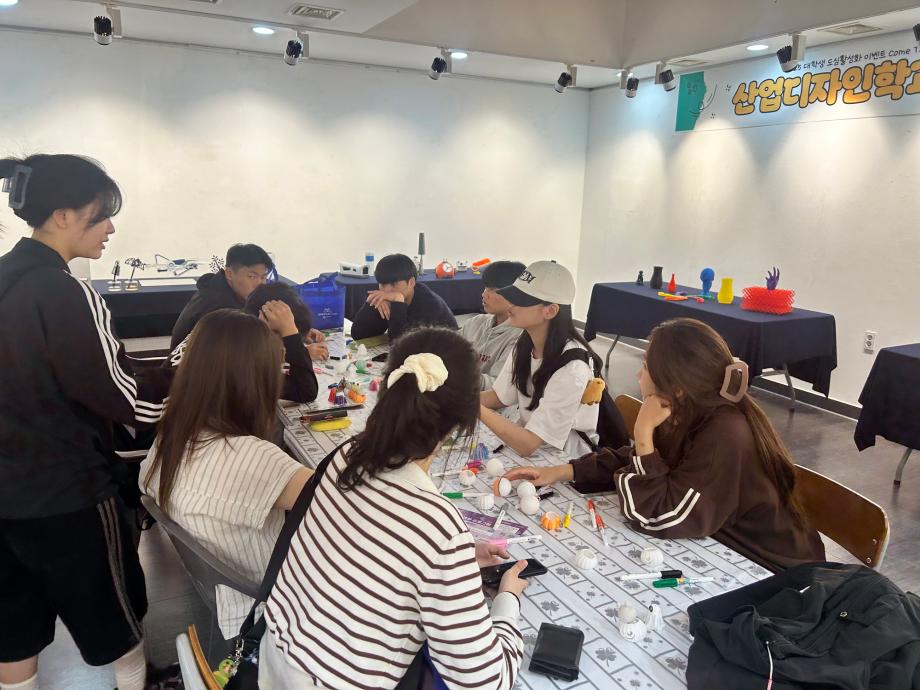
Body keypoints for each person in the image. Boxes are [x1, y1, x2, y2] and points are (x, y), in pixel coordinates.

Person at [260, 327, 528, 690]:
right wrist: (508, 601)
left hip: (273, 666)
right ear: (463, 421)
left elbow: (370, 550)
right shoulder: (437, 527)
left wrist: (456, 561)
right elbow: (485, 681)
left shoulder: (348, 455)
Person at [0, 154, 172, 690]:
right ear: (63, 216)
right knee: (117, 621)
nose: (110, 229)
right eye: (101, 216)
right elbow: (123, 399)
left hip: (5, 495)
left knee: (13, 630)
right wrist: (192, 392)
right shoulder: (66, 292)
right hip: (68, 497)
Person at [505, 318, 826, 573]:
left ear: (677, 385)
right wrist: (562, 471)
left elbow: (661, 515)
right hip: (717, 543)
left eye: (646, 366)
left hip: (772, 571)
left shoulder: (724, 432)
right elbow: (638, 460)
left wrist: (643, 432)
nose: (638, 374)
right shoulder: (689, 411)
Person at [141, 309, 315, 639]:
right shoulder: (251, 458)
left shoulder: (170, 440)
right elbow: (347, 498)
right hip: (275, 610)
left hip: (233, 594)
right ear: (254, 382)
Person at [479, 260, 600, 458]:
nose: (511, 305)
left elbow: (528, 444)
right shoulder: (525, 343)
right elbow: (500, 397)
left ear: (550, 311)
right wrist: (453, 397)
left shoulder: (573, 367)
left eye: (522, 300)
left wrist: (472, 406)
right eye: (512, 296)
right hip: (532, 448)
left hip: (566, 460)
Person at [167, 283, 323, 403]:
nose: (282, 346)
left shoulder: (221, 322)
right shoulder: (240, 357)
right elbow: (305, 391)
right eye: (282, 336)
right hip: (184, 429)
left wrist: (290, 331)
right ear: (264, 323)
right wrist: (291, 334)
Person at [171, 243, 276, 350]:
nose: (260, 284)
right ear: (229, 274)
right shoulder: (218, 308)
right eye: (252, 276)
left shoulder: (220, 289)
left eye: (263, 277)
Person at [350, 253, 457, 341]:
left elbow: (400, 345)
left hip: (448, 351)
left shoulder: (429, 305)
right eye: (382, 284)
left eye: (393, 284)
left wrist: (398, 302)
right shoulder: (385, 296)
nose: (386, 290)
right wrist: (370, 305)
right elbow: (358, 335)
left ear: (411, 282)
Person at [460, 260, 525, 390]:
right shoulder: (475, 322)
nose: (484, 294)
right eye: (485, 287)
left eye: (492, 290)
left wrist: (455, 374)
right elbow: (447, 349)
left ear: (516, 294)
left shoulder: (521, 337)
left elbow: (499, 387)